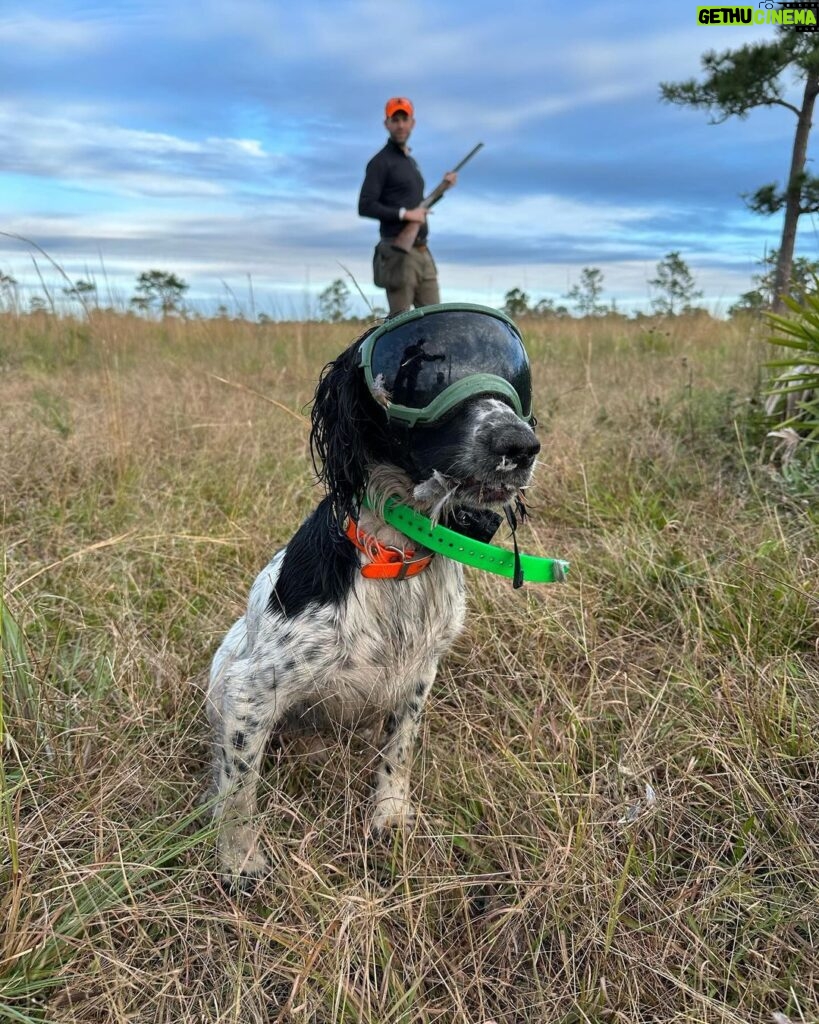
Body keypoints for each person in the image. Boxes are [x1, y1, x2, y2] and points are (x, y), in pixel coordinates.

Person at [359, 97, 457, 314]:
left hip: (422, 250)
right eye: (395, 120)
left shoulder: (411, 163)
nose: (400, 125)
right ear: (387, 124)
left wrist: (443, 189)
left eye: (405, 119)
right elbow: (365, 205)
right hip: (398, 253)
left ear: (412, 122)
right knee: (400, 322)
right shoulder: (380, 162)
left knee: (436, 321)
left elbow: (418, 207)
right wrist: (405, 214)